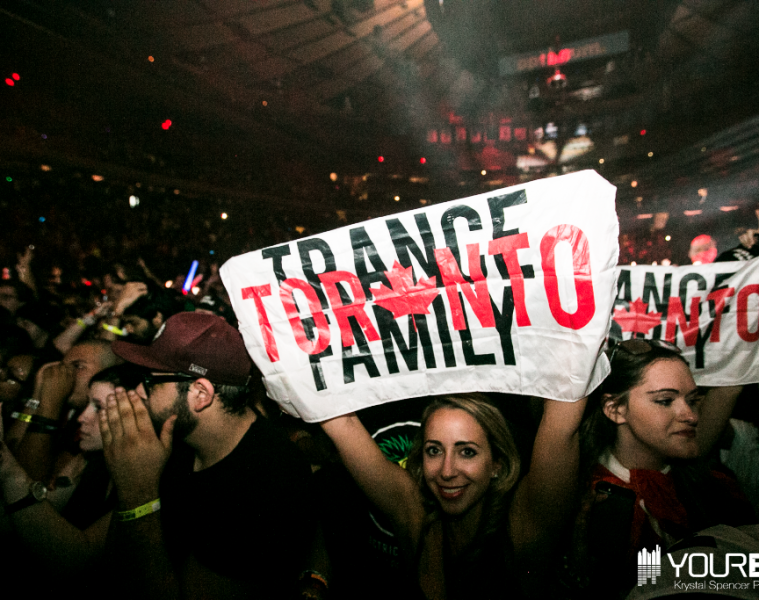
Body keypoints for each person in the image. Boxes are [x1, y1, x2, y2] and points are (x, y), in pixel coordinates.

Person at [101, 312, 316, 599]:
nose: (139, 390)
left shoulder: (269, 479)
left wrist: (138, 493)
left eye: (151, 381)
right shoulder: (172, 440)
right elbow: (104, 562)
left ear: (200, 393)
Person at [320, 392, 587, 599]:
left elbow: (564, 419)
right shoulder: (417, 519)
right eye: (434, 450)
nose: (447, 471)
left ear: (497, 463)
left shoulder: (523, 526)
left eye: (467, 452)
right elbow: (343, 424)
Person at [576, 339, 754, 595]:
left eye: (692, 400)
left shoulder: (716, 487)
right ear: (615, 409)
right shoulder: (580, 495)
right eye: (665, 401)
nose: (691, 415)